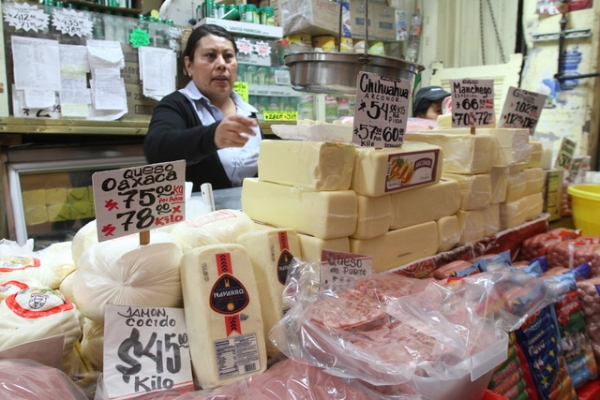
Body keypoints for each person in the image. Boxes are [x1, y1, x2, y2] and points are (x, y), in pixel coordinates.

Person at [144, 24, 261, 192]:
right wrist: (212, 137)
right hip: (200, 215)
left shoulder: (247, 111)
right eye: (210, 56)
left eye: (228, 57)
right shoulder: (176, 105)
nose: (222, 64)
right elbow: (156, 151)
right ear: (189, 65)